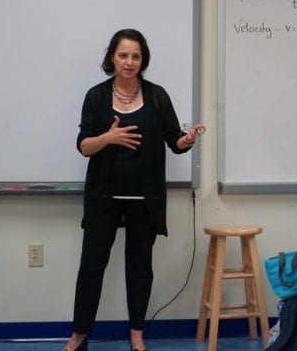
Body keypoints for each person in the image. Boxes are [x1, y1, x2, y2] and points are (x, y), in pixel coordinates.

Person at [63, 28, 205, 351]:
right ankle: (79, 335)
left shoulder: (157, 96)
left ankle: (137, 334)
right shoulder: (96, 97)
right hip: (103, 197)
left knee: (139, 268)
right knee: (91, 267)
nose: (129, 62)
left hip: (145, 198)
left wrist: (188, 139)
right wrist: (107, 139)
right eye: (123, 55)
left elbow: (174, 140)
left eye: (136, 56)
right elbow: (84, 146)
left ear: (143, 61)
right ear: (112, 57)